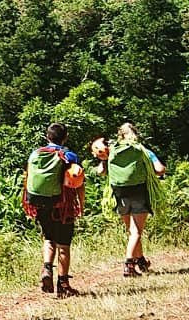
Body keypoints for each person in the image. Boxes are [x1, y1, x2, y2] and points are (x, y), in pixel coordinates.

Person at [92, 122, 166, 277]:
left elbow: (100, 172)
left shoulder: (112, 151)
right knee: (136, 231)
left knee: (131, 231)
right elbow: (160, 170)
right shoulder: (142, 150)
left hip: (119, 193)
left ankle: (140, 260)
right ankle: (129, 265)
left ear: (120, 135)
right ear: (135, 134)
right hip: (139, 191)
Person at [22, 122, 85, 298]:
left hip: (40, 204)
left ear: (47, 137)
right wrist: (81, 204)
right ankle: (63, 284)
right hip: (63, 206)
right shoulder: (69, 155)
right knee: (64, 245)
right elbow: (78, 181)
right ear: (65, 137)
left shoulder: (35, 153)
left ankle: (47, 269)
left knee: (49, 239)